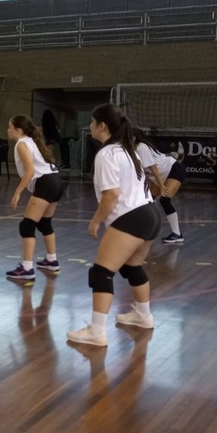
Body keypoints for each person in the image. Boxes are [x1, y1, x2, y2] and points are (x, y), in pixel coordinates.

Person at [67, 104, 161, 347]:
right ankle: (143, 315)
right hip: (150, 213)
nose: (90, 126)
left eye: (92, 122)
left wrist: (96, 220)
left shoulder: (107, 154)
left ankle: (96, 331)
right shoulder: (129, 150)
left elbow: (111, 195)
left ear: (102, 126)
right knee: (132, 267)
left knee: (101, 272)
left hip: (131, 216)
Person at [5, 115, 64, 280]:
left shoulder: (22, 144)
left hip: (46, 183)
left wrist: (17, 193)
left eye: (10, 127)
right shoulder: (31, 141)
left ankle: (27, 268)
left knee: (27, 226)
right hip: (55, 180)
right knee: (44, 223)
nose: (7, 130)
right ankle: (51, 260)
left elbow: (30, 171)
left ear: (18, 130)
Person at [132, 128, 187, 244]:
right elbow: (146, 172)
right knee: (147, 201)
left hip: (174, 169)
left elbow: (153, 168)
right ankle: (148, 230)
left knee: (165, 200)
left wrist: (162, 186)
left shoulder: (141, 147)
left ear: (134, 138)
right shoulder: (132, 151)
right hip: (161, 176)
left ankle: (177, 234)